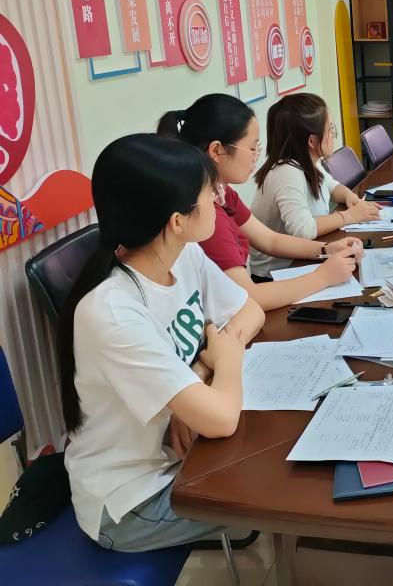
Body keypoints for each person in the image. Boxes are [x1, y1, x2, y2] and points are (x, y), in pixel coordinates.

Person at [60, 134, 265, 552]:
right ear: (177, 220)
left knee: (275, 460)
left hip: (181, 456)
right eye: (209, 193)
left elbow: (250, 311)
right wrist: (226, 359)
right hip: (131, 500)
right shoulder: (112, 312)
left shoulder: (183, 255)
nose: (219, 198)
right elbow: (222, 419)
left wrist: (196, 376)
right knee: (274, 490)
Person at [158, 94, 361, 311]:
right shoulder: (206, 213)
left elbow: (269, 240)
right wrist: (322, 277)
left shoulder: (222, 191)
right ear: (217, 150)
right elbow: (250, 297)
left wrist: (326, 248)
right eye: (252, 148)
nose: (256, 155)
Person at [250, 94, 380, 278]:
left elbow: (333, 187)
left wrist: (351, 198)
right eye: (330, 129)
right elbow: (303, 230)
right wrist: (350, 216)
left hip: (308, 258)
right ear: (312, 141)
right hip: (278, 274)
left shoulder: (309, 161)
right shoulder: (286, 172)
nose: (333, 135)